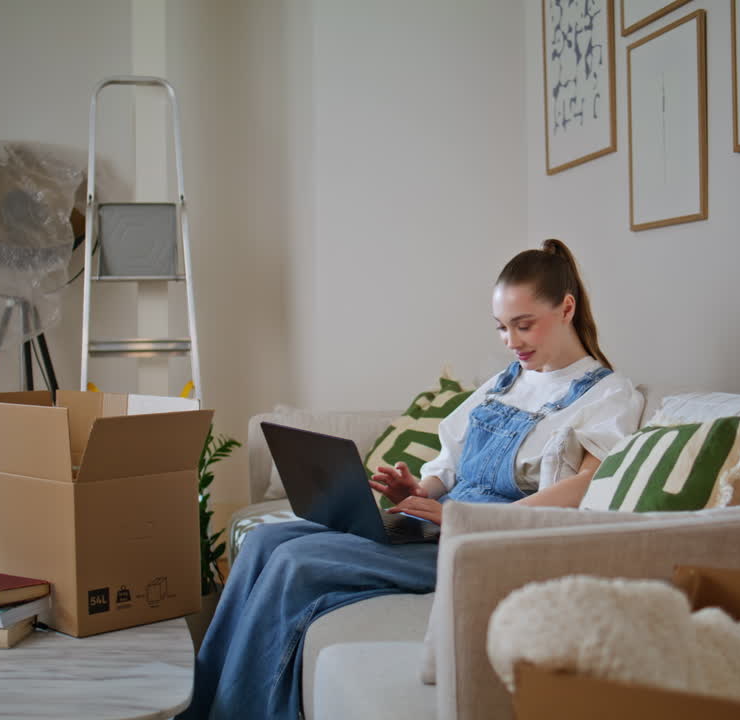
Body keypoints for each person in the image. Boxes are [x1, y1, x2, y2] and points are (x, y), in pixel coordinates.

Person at [179, 239, 643, 720]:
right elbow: (453, 455)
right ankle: (197, 707)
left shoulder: (607, 393)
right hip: (441, 524)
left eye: (524, 325)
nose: (511, 341)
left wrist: (466, 519)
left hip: (489, 543)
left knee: (295, 563)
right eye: (502, 327)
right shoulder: (508, 380)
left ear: (566, 308)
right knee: (265, 543)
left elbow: (587, 486)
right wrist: (421, 492)